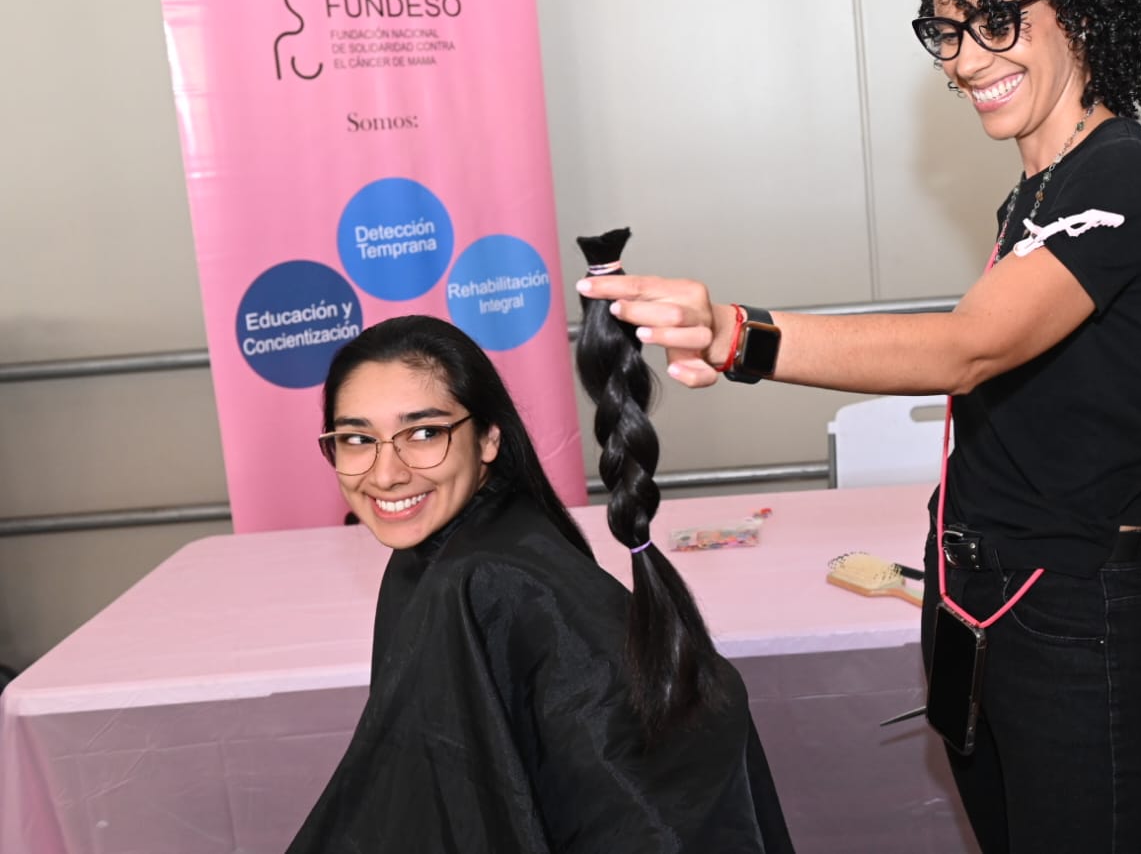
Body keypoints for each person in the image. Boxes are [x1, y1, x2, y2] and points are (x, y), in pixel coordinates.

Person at [579, 0, 1141, 853]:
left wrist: (740, 334)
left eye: (994, 20)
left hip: (1074, 627)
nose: (964, 59)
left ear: (1076, 4)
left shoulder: (1127, 175)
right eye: (946, 31)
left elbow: (967, 349)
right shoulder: (1033, 194)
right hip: (972, 605)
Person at [288, 314, 793, 853]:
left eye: (424, 433)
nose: (386, 473)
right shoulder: (455, 548)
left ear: (487, 439)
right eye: (357, 438)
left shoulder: (483, 579)